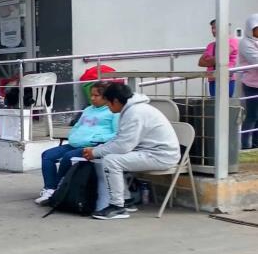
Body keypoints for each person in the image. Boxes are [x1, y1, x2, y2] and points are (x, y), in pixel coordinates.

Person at [84, 83, 180, 220]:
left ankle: (117, 206)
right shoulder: (131, 109)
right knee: (110, 157)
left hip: (161, 156)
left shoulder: (134, 113)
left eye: (108, 104)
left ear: (116, 101)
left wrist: (95, 152)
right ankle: (125, 200)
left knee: (111, 161)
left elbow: (123, 146)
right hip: (149, 152)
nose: (108, 107)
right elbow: (120, 139)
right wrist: (97, 150)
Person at [34, 81, 118, 204]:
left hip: (93, 146)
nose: (92, 98)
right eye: (91, 95)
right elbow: (77, 125)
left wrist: (98, 138)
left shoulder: (113, 111)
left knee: (68, 157)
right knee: (47, 155)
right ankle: (50, 188)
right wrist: (73, 135)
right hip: (75, 143)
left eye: (96, 95)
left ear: (106, 97)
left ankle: (58, 188)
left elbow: (117, 133)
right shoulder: (88, 109)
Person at [198, 18, 239, 97]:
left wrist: (209, 60)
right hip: (212, 79)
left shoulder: (232, 41)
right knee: (213, 104)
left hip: (226, 79)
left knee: (225, 105)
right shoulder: (211, 45)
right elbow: (200, 62)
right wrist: (214, 59)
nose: (213, 30)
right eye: (212, 28)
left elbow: (221, 58)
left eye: (215, 28)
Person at [239, 14, 258, 150]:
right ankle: (246, 145)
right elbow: (255, 60)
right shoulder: (246, 43)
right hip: (252, 85)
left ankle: (256, 144)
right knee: (252, 115)